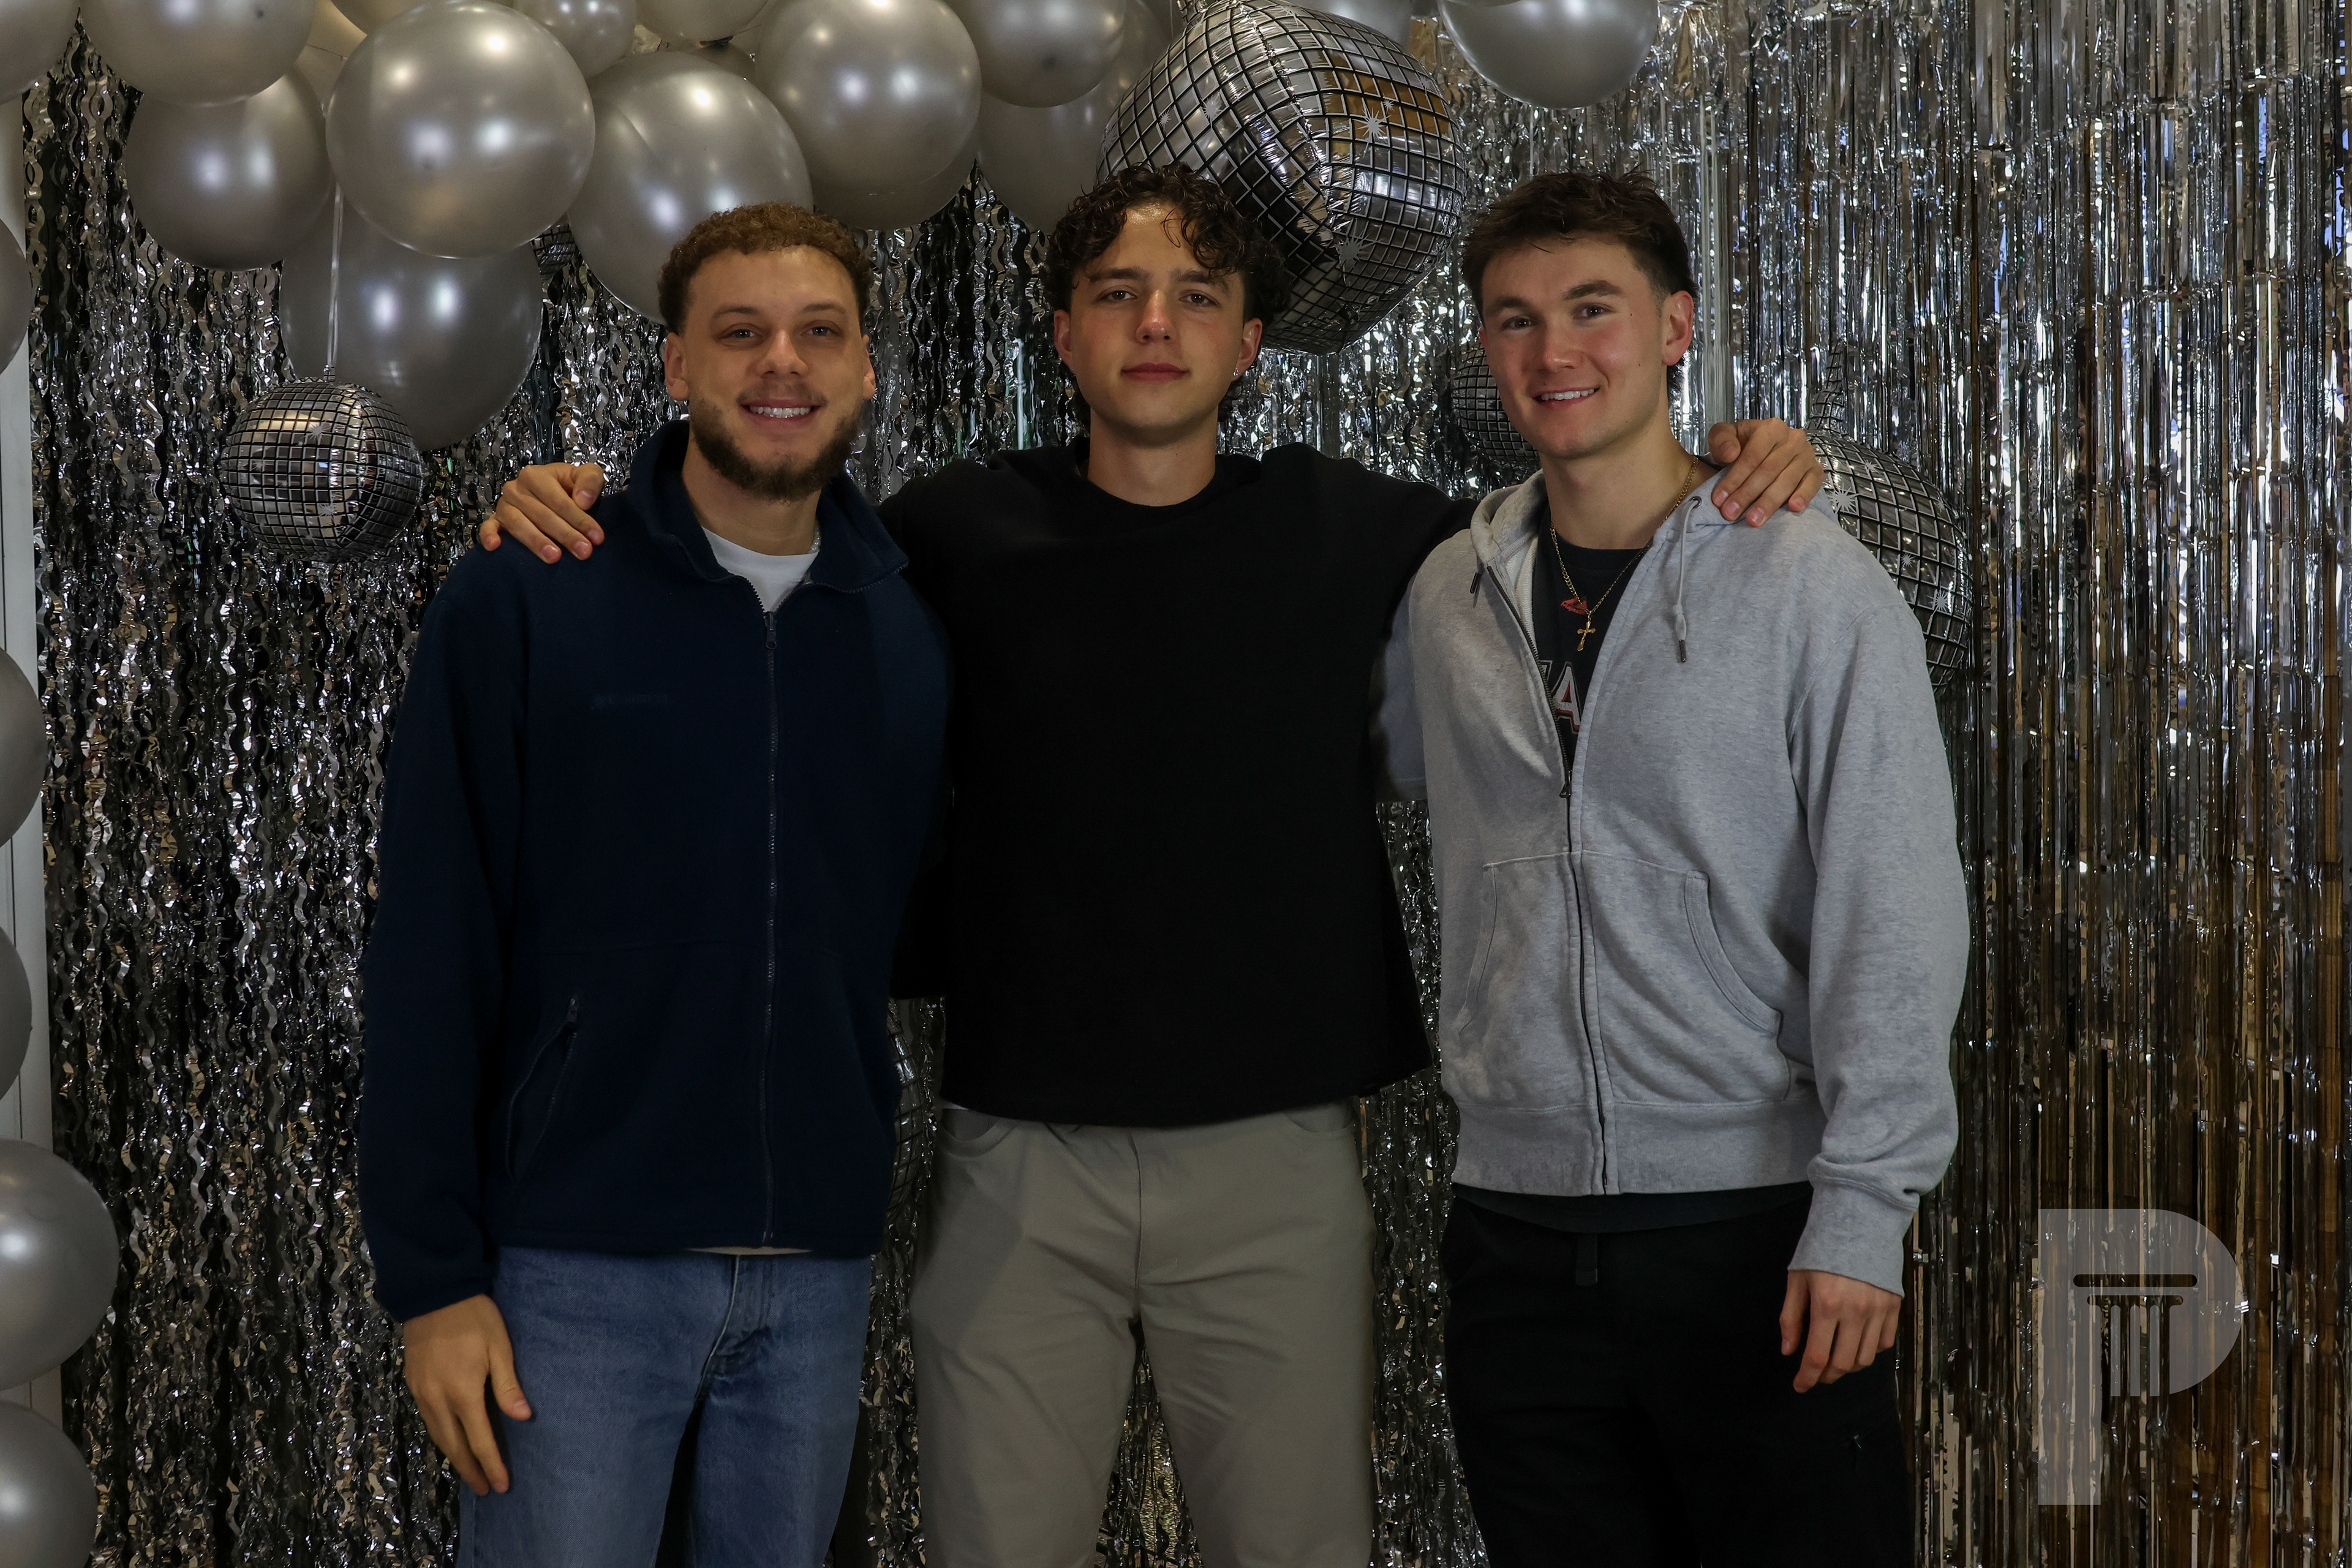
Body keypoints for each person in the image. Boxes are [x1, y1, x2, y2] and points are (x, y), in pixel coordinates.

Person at [477, 166, 1825, 1567]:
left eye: (1196, 296)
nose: (1157, 324)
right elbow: (755, 535)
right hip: (1018, 1155)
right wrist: (582, 497)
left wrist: (1743, 456)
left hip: (1275, 1158)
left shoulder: (1366, 533)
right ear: (1064, 336)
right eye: (1119, 294)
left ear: (1250, 343)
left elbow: (1593, 511)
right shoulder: (946, 533)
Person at [1379, 170, 1967, 1564]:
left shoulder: (1811, 581)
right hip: (1515, 1236)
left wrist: (1863, 1210)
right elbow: (1378, 772)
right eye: (1515, 319)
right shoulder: (1449, 594)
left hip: (1756, 1226)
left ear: (1675, 326)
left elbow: (1893, 902)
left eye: (1594, 308)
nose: (1554, 351)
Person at [358, 203, 950, 1568]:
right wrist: (433, 1278)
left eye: (819, 332)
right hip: (573, 1266)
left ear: (866, 367)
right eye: (740, 332)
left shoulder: (907, 632)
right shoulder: (532, 590)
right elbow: (434, 940)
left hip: (816, 1269)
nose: (781, 362)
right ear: (678, 365)